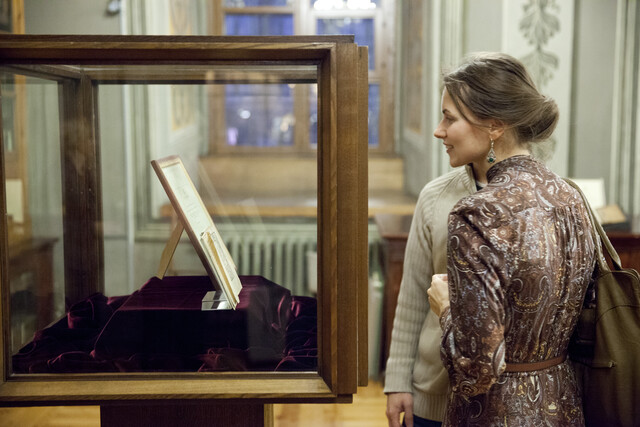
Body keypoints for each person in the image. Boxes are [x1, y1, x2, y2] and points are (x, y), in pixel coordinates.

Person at [426, 52, 597, 426]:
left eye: (449, 118)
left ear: (494, 126)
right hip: (564, 402)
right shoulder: (570, 196)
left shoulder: (477, 213)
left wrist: (446, 307)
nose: (439, 130)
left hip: (495, 412)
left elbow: (476, 370)